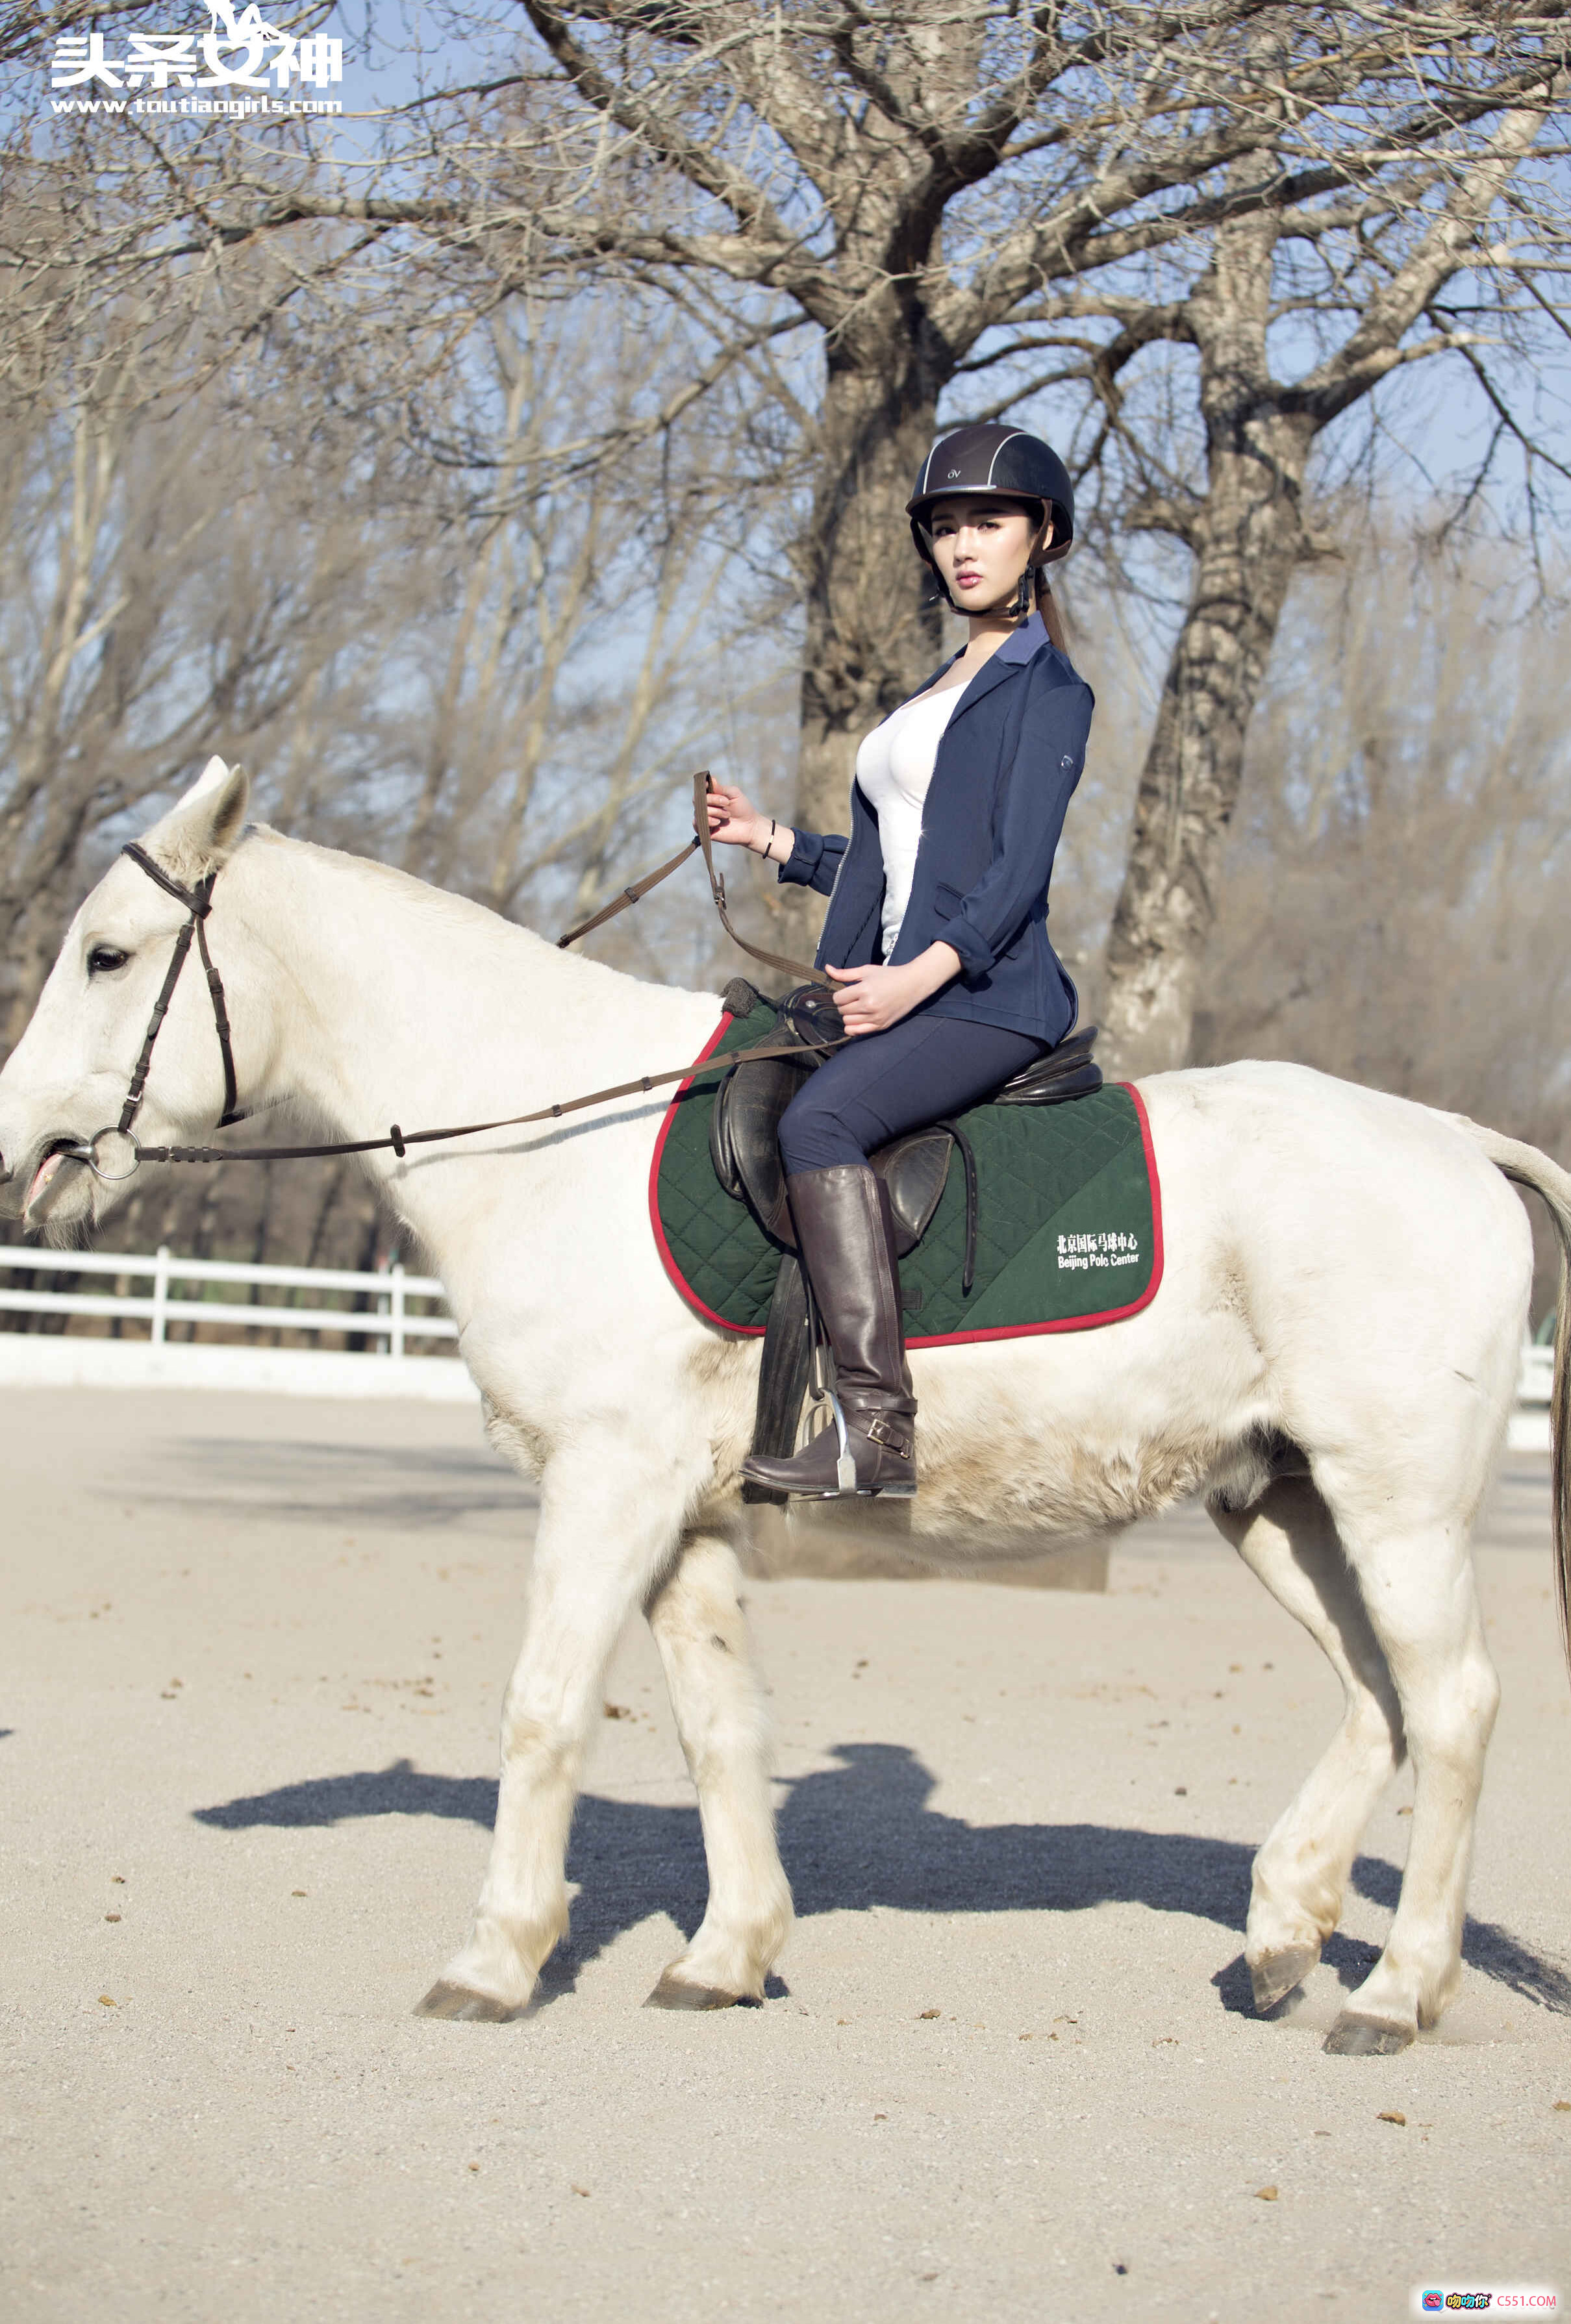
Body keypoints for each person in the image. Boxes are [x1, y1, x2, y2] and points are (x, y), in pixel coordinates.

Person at [706, 422, 1095, 1499]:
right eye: (947, 528)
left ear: (1041, 535)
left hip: (985, 998)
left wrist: (916, 980)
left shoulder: (1048, 693)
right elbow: (903, 866)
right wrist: (775, 841)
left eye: (990, 522)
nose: (965, 545)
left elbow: (1013, 875)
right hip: (893, 986)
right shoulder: (930, 693)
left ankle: (876, 1433)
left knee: (819, 1124)